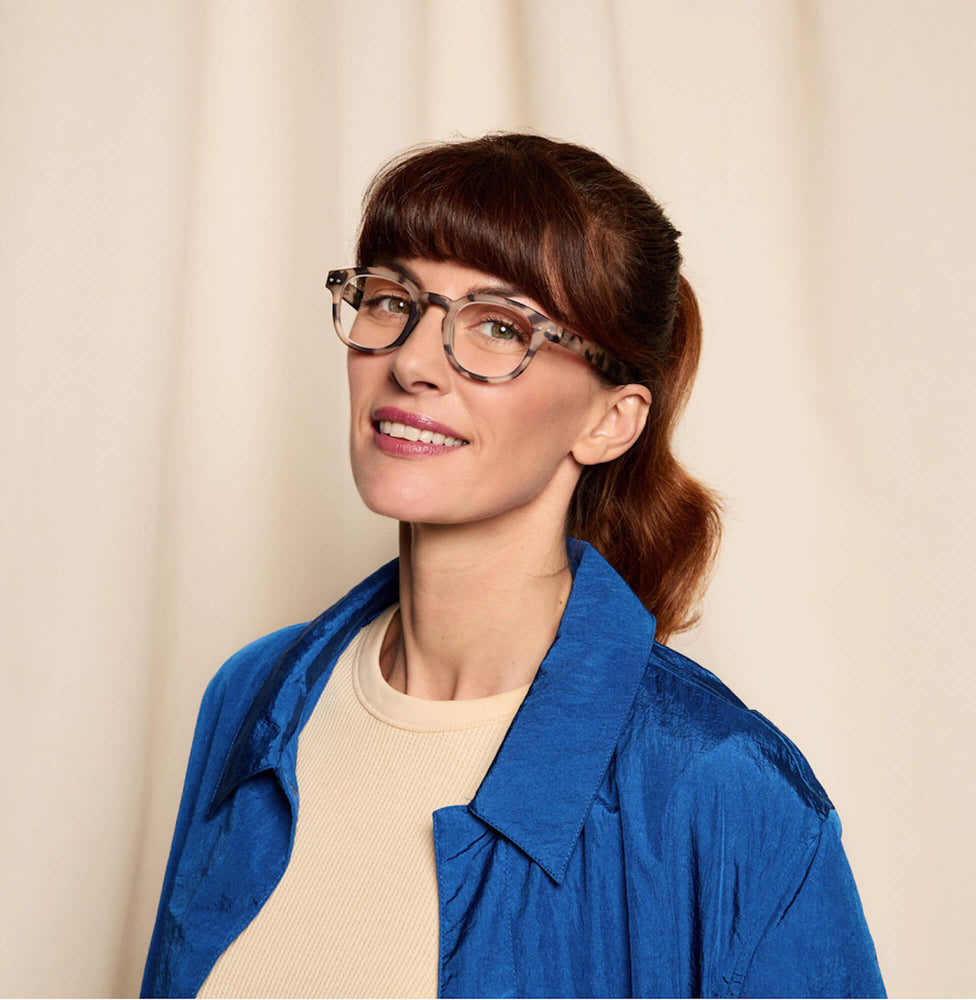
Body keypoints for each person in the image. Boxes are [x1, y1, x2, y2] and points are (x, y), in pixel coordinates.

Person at [141, 133, 885, 998]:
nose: (411, 363)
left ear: (609, 420)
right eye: (391, 300)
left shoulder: (720, 789)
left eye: (499, 326)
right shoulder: (255, 696)